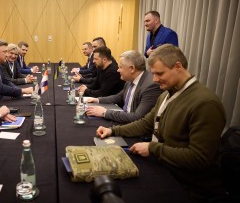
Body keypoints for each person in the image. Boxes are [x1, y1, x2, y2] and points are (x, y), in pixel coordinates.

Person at [96, 44, 226, 202]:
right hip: (163, 167)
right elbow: (145, 123)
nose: (155, 79)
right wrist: (114, 131)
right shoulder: (167, 94)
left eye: (159, 73)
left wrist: (153, 148)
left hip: (187, 185)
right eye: (153, 74)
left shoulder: (205, 103)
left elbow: (199, 158)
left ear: (178, 67)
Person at [86, 50, 162, 124]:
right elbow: (119, 97)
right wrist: (97, 100)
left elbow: (137, 117)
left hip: (134, 130)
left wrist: (105, 112)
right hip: (123, 120)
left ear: (132, 68)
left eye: (120, 67)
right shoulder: (130, 80)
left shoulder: (150, 86)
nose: (118, 70)